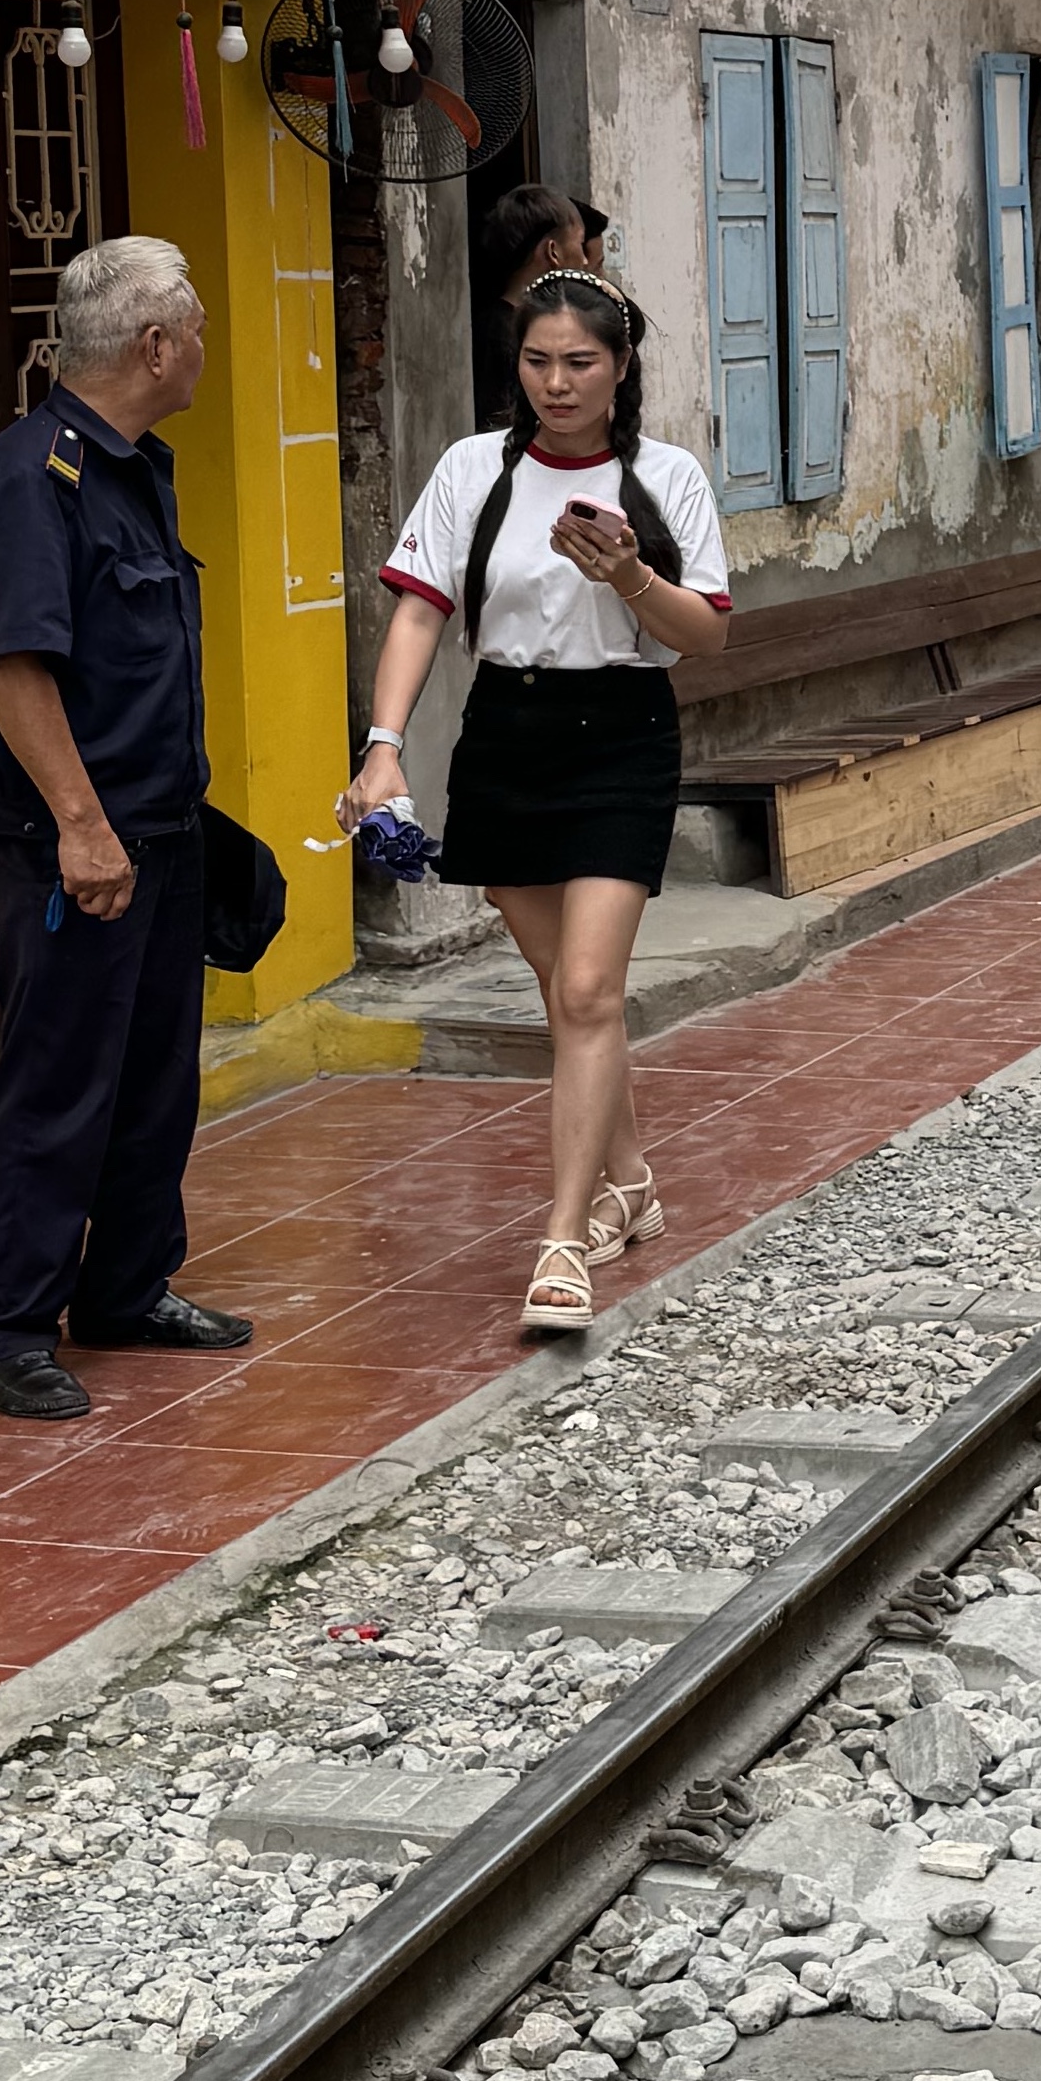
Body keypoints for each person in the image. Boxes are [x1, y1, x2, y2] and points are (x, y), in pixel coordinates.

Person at [346, 273, 734, 1343]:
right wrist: (383, 749)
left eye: (580, 363)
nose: (557, 383)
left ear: (620, 369)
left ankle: (562, 1239)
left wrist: (630, 578)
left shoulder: (667, 478)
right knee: (565, 995)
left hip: (622, 736)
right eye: (537, 361)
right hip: (507, 736)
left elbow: (704, 635)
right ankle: (631, 1181)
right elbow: (422, 614)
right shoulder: (475, 470)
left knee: (590, 987)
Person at [0, 235, 252, 1420]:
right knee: (61, 1080)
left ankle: (126, 1287)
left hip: (159, 829)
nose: (205, 347)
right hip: (73, 843)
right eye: (198, 326)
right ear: (155, 344)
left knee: (153, 1076)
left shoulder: (130, 468)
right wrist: (81, 826)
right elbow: (14, 665)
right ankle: (9, 1326)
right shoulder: (31, 479)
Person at [470, 180, 606, 423]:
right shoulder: (501, 334)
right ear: (553, 252)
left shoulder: (496, 325)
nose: (585, 262)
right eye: (579, 244)